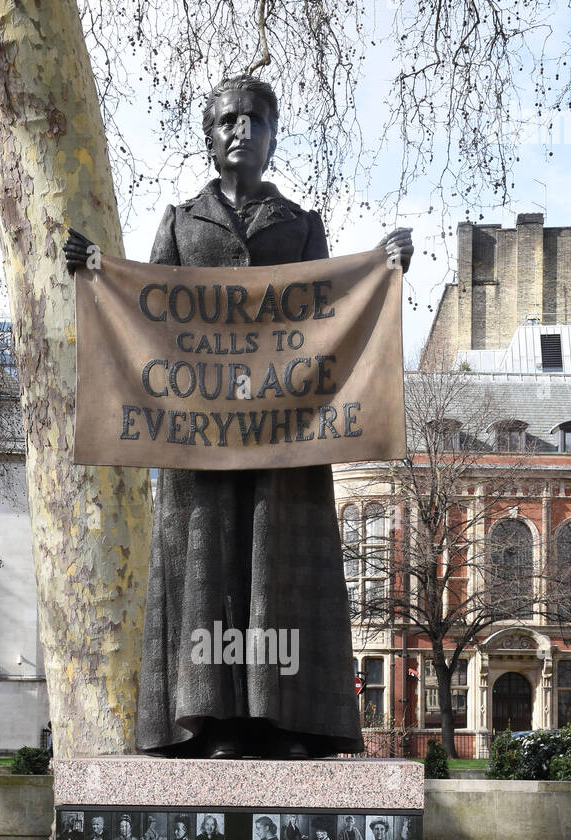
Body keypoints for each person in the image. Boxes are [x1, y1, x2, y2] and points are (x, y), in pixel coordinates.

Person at [65, 74, 412, 760]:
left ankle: (281, 722)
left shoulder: (301, 225)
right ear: (208, 136)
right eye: (227, 121)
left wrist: (386, 265)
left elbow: (334, 315)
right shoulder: (179, 222)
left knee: (277, 569)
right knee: (208, 571)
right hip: (200, 445)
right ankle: (212, 722)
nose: (239, 132)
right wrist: (96, 271)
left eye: (254, 121)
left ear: (273, 137)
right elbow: (144, 316)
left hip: (285, 442)